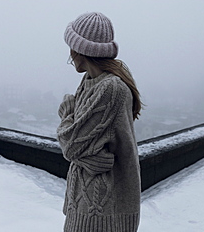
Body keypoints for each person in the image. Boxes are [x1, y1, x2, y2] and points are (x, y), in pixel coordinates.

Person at [57, 12, 142, 232]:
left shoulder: (111, 89)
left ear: (81, 50)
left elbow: (71, 144)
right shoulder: (89, 81)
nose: (69, 54)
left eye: (71, 48)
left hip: (102, 211)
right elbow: (86, 146)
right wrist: (90, 159)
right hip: (84, 204)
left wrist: (68, 113)